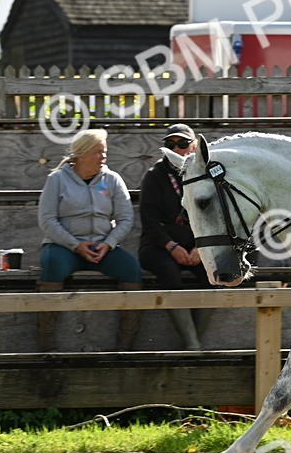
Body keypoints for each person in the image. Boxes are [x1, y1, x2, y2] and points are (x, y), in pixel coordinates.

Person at [36, 128, 142, 351]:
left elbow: (125, 217)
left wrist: (108, 243)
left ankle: (125, 346)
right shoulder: (56, 179)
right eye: (98, 152)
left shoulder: (112, 179)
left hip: (103, 246)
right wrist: (75, 245)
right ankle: (46, 345)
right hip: (64, 246)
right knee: (52, 264)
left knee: (131, 269)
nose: (103, 157)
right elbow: (47, 220)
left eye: (104, 152)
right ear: (81, 154)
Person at [138, 123, 213, 351]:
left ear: (194, 147)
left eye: (182, 143)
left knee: (213, 274)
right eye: (170, 144)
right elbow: (149, 221)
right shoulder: (154, 176)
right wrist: (172, 247)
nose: (176, 148)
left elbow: (215, 217)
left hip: (197, 245)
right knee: (169, 272)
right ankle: (191, 344)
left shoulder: (205, 173)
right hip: (160, 246)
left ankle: (193, 343)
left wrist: (201, 248)